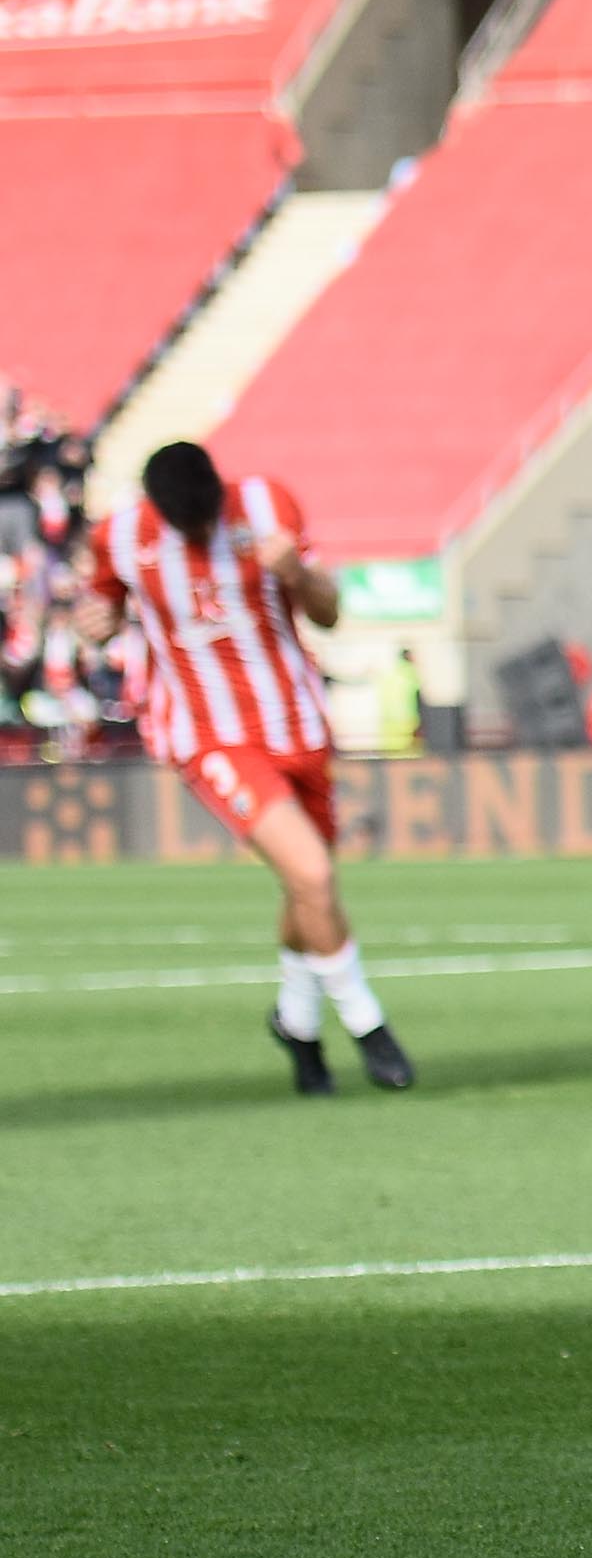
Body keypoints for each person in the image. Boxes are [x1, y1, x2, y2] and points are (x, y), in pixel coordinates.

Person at [75, 440, 415, 1094]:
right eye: (190, 528)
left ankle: (296, 1022)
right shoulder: (119, 535)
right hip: (209, 735)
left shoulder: (266, 504)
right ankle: (369, 1024)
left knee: (307, 886)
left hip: (298, 725)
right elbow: (102, 612)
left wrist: (297, 574)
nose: (202, 535)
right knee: (313, 872)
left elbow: (329, 611)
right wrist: (97, 622)